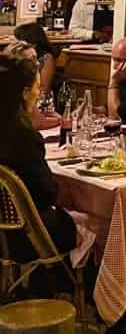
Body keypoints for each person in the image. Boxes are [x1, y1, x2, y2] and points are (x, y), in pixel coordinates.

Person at [0, 53, 76, 260]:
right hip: (26, 236)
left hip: (6, 234)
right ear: (25, 92)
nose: (39, 93)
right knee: (94, 223)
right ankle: (78, 287)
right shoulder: (23, 137)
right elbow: (46, 193)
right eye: (37, 87)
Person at [14, 22, 58, 96]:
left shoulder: (47, 58)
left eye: (19, 40)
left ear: (33, 42)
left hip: (35, 100)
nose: (16, 43)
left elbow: (44, 90)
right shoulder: (18, 55)